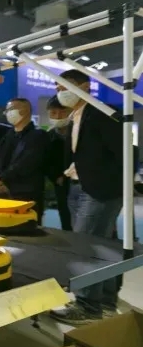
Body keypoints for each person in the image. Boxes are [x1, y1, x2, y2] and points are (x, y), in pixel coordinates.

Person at [49, 69, 123, 325]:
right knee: (102, 247)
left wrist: (113, 186)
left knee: (86, 248)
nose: (60, 93)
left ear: (84, 86)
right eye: (57, 89)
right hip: (78, 187)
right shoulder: (75, 117)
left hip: (99, 190)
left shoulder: (103, 112)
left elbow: (123, 151)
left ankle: (87, 306)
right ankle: (105, 302)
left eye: (64, 87)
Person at [0, 98, 49, 223]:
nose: (7, 113)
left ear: (25, 111)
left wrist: (2, 178)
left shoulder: (38, 135)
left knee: (27, 225)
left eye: (11, 109)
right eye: (6, 111)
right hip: (4, 191)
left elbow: (28, 162)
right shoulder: (7, 135)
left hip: (27, 191)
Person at [45, 95, 73, 231]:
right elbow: (46, 161)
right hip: (60, 183)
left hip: (83, 181)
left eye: (63, 112)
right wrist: (55, 176)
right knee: (65, 216)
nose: (58, 116)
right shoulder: (48, 136)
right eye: (53, 113)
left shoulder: (81, 132)